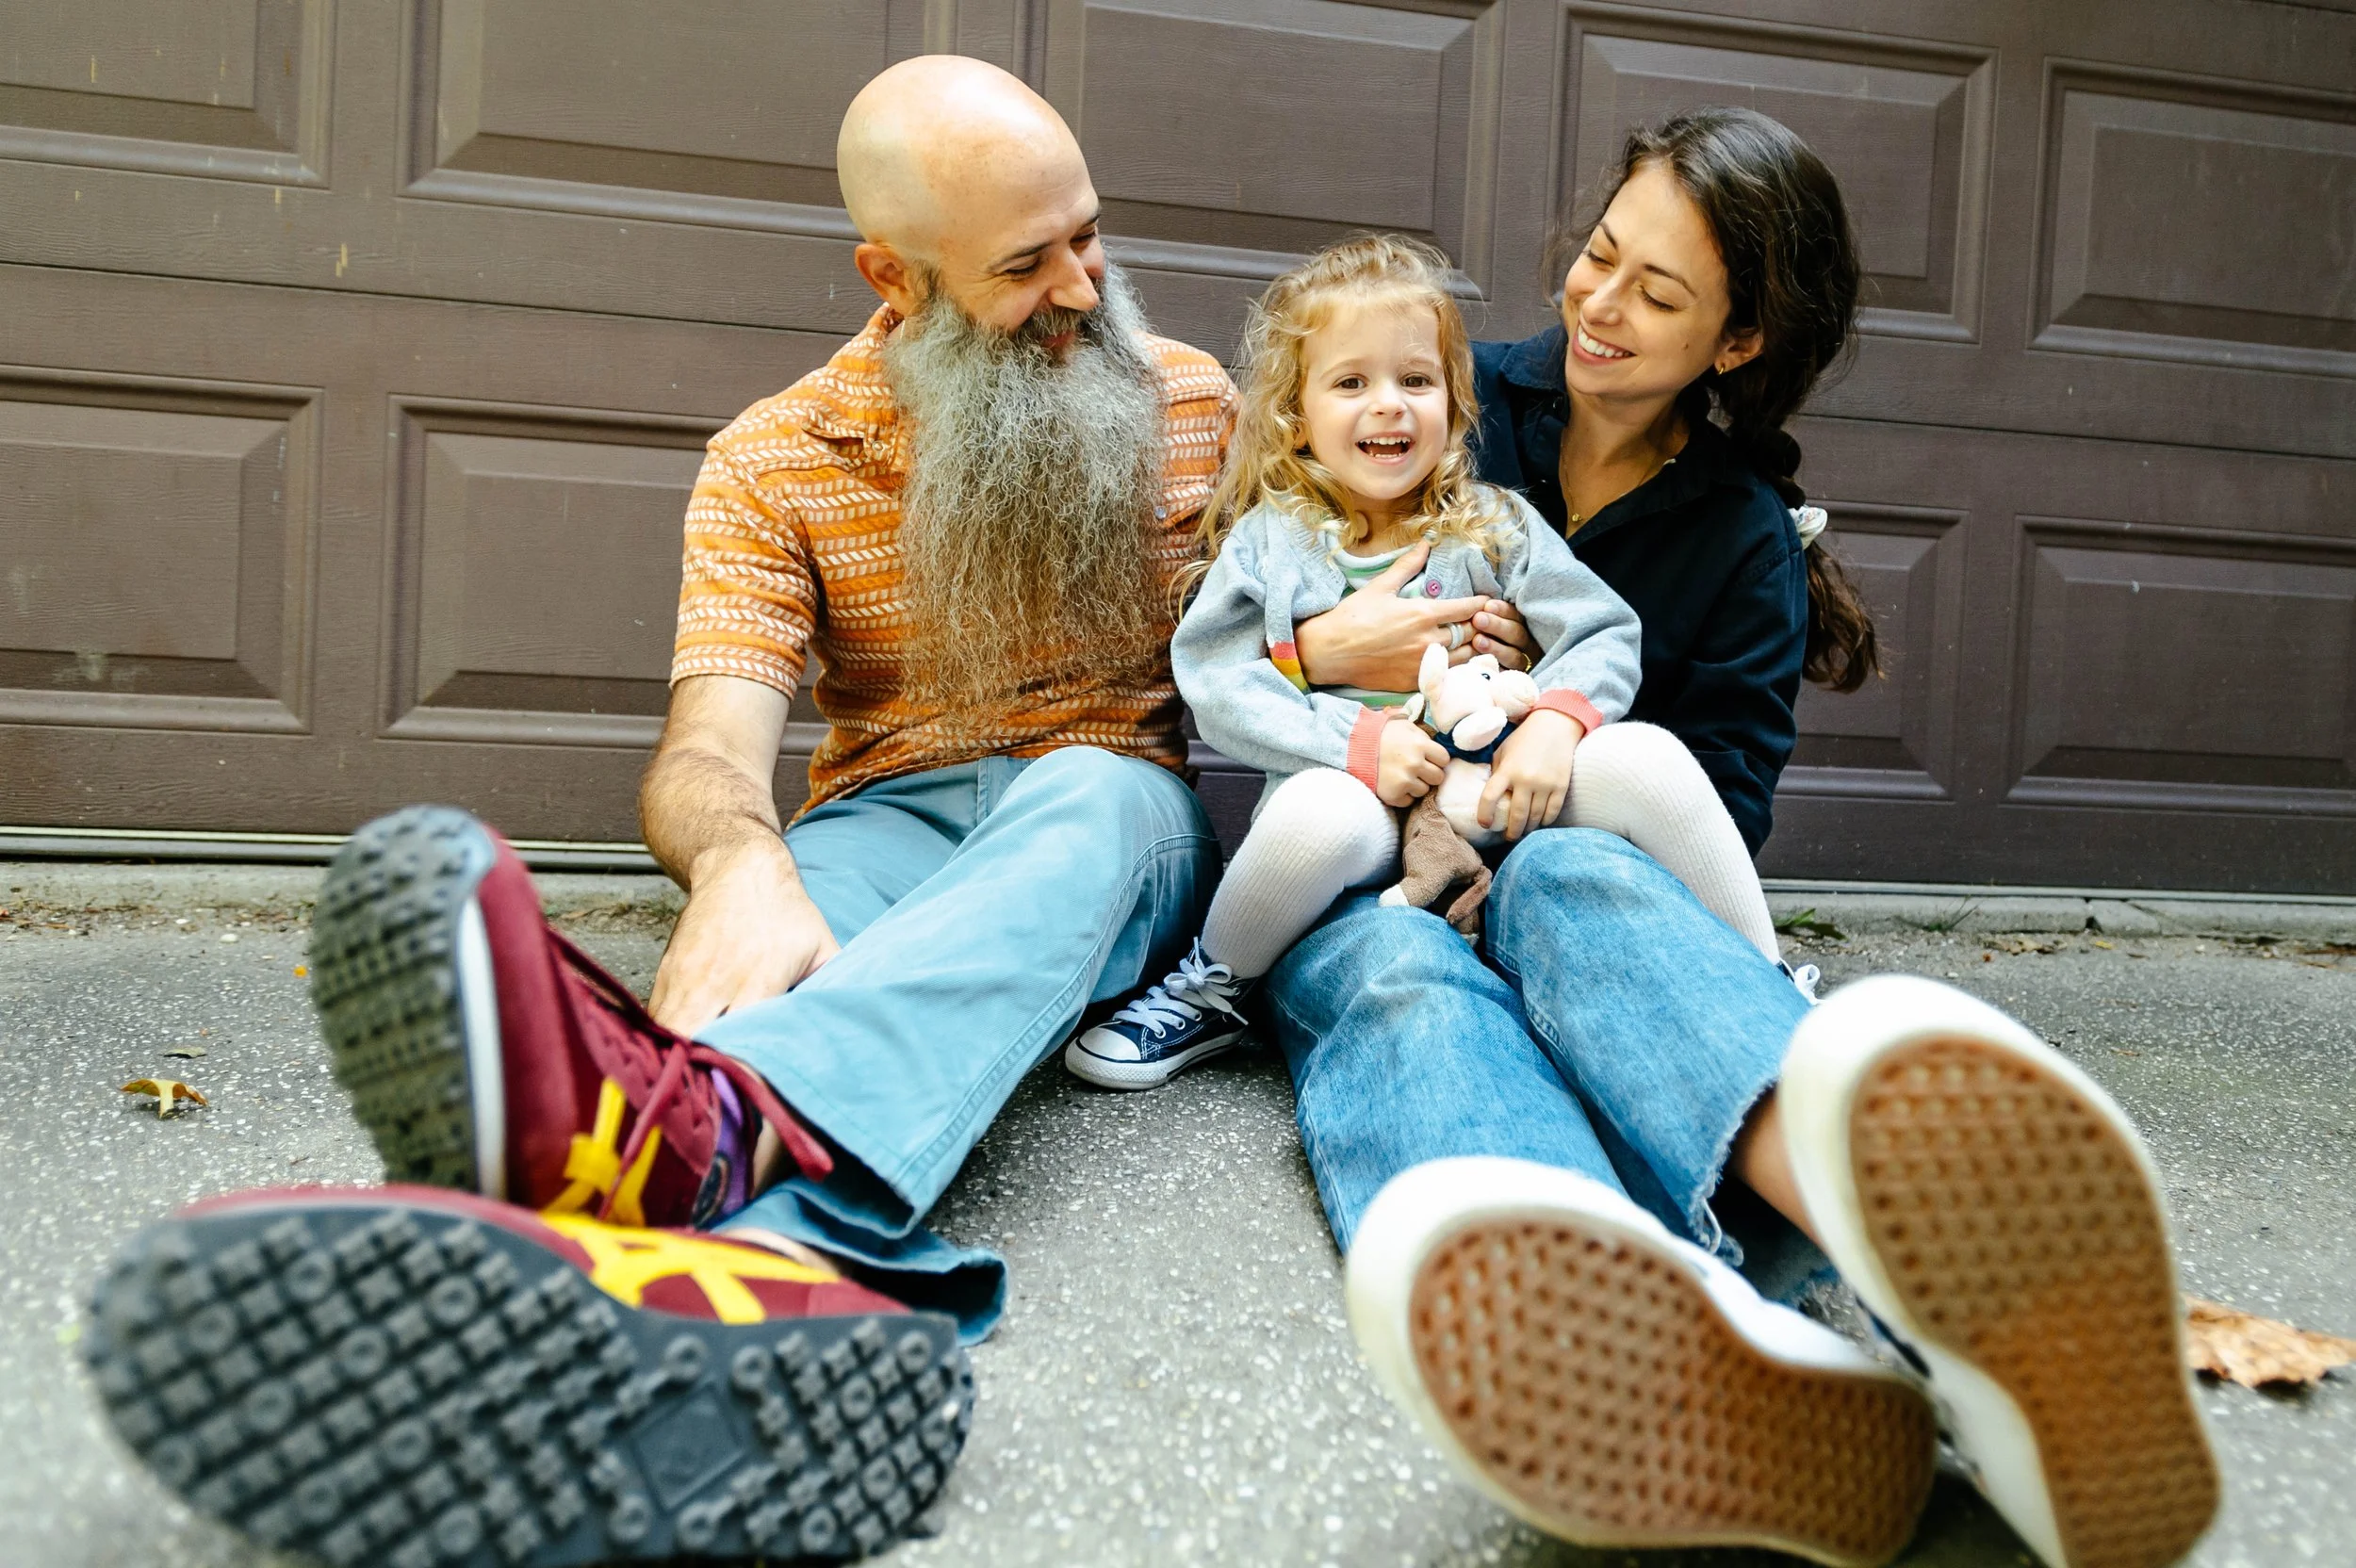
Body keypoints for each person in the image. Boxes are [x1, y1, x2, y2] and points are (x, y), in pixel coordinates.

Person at [82, 54, 1237, 1567]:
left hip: (1113, 819)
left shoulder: (1193, 407)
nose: (1087, 288)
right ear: (892, 276)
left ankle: (668, 1150)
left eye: (1088, 233)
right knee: (789, 942)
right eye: (1025, 264)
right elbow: (709, 745)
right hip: (886, 817)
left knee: (1082, 799)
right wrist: (743, 862)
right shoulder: (774, 462)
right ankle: (691, 1296)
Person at [1263, 109, 2221, 1568]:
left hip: (1582, 877)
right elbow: (1246, 601)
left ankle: (1932, 1290)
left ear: (1734, 344)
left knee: (1585, 878)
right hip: (1387, 854)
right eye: (1600, 257)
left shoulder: (1742, 541)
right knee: (1397, 974)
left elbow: (1711, 808)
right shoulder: (1442, 395)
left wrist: (1554, 745)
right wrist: (1328, 655)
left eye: (1659, 295)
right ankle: (1652, 1348)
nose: (1599, 304)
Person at [1066, 234, 1788, 1092]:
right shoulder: (1275, 544)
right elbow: (1220, 682)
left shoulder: (1494, 522)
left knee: (1646, 756)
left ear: (1454, 399)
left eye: (1416, 381)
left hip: (1501, 788)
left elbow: (1600, 628)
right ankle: (1218, 983)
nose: (1389, 407)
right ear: (1297, 414)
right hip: (1370, 807)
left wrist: (1557, 723)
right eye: (1350, 383)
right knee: (1313, 817)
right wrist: (1357, 744)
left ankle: (1770, 984)